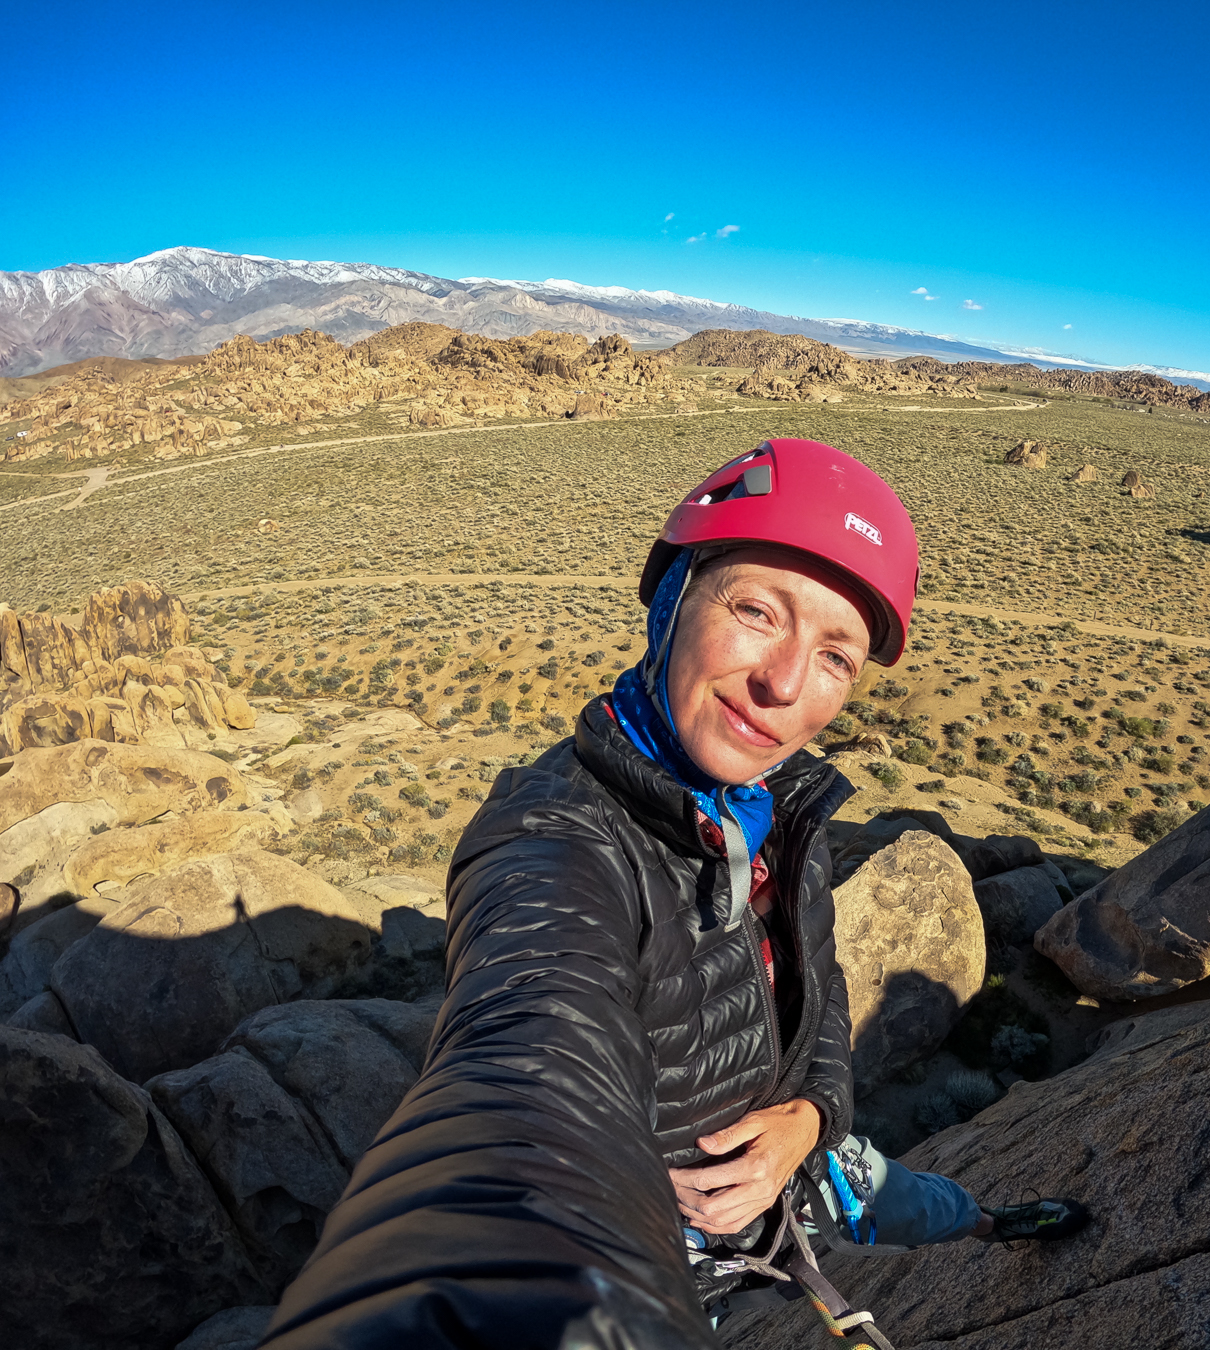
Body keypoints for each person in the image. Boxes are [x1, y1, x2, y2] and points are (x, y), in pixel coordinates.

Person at [260, 439, 1085, 1350]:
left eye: (836, 657)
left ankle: (996, 1225)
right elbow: (526, 1064)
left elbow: (821, 996)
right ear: (671, 600)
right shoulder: (552, 838)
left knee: (923, 1203)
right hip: (678, 1246)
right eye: (756, 610)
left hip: (802, 1170)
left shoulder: (779, 809)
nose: (784, 684)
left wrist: (809, 1121)